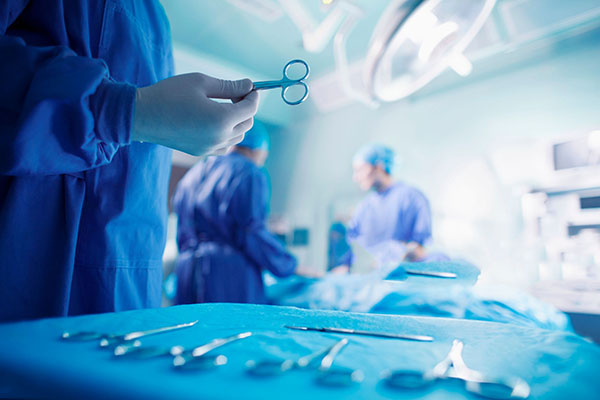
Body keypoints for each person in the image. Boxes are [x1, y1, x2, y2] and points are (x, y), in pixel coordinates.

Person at [0, 1, 259, 321]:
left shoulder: (154, 15)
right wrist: (122, 111)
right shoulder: (247, 175)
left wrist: (138, 114)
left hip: (132, 279)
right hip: (31, 268)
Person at [173, 122, 300, 305]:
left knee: (188, 330)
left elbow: (182, 233)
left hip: (187, 271)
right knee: (232, 332)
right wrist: (290, 265)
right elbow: (252, 232)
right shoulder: (249, 172)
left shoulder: (192, 175)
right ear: (257, 150)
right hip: (228, 276)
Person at [344, 144, 434, 269]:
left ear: (379, 167)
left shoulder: (412, 197)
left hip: (400, 278)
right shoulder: (365, 206)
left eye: (360, 170)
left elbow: (420, 248)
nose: (355, 177)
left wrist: (393, 255)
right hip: (366, 279)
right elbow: (352, 247)